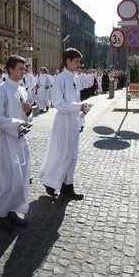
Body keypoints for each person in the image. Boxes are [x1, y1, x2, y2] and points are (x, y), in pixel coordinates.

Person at [0, 55, 33, 231]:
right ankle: (1, 212)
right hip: (7, 139)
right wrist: (16, 125)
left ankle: (13, 210)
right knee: (8, 179)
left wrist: (28, 113)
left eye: (24, 68)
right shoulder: (1, 90)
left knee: (21, 179)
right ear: (10, 69)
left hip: (21, 139)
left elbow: (26, 114)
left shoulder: (22, 90)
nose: (24, 71)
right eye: (20, 68)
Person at [39, 47, 91, 200]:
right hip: (63, 121)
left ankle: (68, 187)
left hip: (74, 121)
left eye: (79, 62)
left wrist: (81, 118)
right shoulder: (60, 78)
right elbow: (57, 103)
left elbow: (77, 101)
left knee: (72, 155)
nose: (78, 64)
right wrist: (77, 108)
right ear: (67, 61)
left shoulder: (75, 78)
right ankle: (50, 182)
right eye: (76, 61)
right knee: (62, 154)